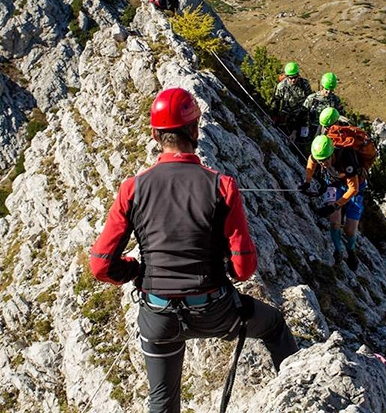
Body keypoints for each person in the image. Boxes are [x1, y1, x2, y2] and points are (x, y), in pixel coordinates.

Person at [90, 87, 298, 413]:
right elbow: (244, 268)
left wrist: (135, 269)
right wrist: (223, 264)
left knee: (162, 401)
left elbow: (101, 265)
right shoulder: (221, 185)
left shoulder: (132, 188)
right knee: (273, 326)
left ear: (156, 134)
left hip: (158, 316)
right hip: (214, 310)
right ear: (194, 129)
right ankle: (297, 398)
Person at [298, 135, 367, 271]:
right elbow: (311, 162)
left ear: (332, 154)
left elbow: (353, 189)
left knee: (350, 230)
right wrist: (307, 181)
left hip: (356, 188)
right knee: (334, 221)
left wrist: (336, 205)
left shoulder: (347, 160)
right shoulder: (319, 154)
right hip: (334, 184)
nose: (323, 164)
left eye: (325, 160)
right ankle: (338, 250)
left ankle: (351, 251)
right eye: (321, 161)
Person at [271, 62, 312, 153]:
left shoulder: (304, 84)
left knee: (303, 138)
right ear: (287, 76)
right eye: (291, 78)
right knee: (283, 133)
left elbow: (308, 105)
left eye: (295, 77)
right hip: (286, 113)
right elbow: (276, 102)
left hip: (302, 114)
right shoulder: (281, 86)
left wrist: (295, 131)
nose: (293, 80)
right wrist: (274, 117)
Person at [302, 72, 344, 138]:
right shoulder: (312, 99)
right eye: (326, 89)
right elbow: (302, 115)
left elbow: (341, 116)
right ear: (322, 87)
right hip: (311, 130)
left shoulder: (336, 100)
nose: (328, 92)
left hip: (329, 132)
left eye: (331, 90)